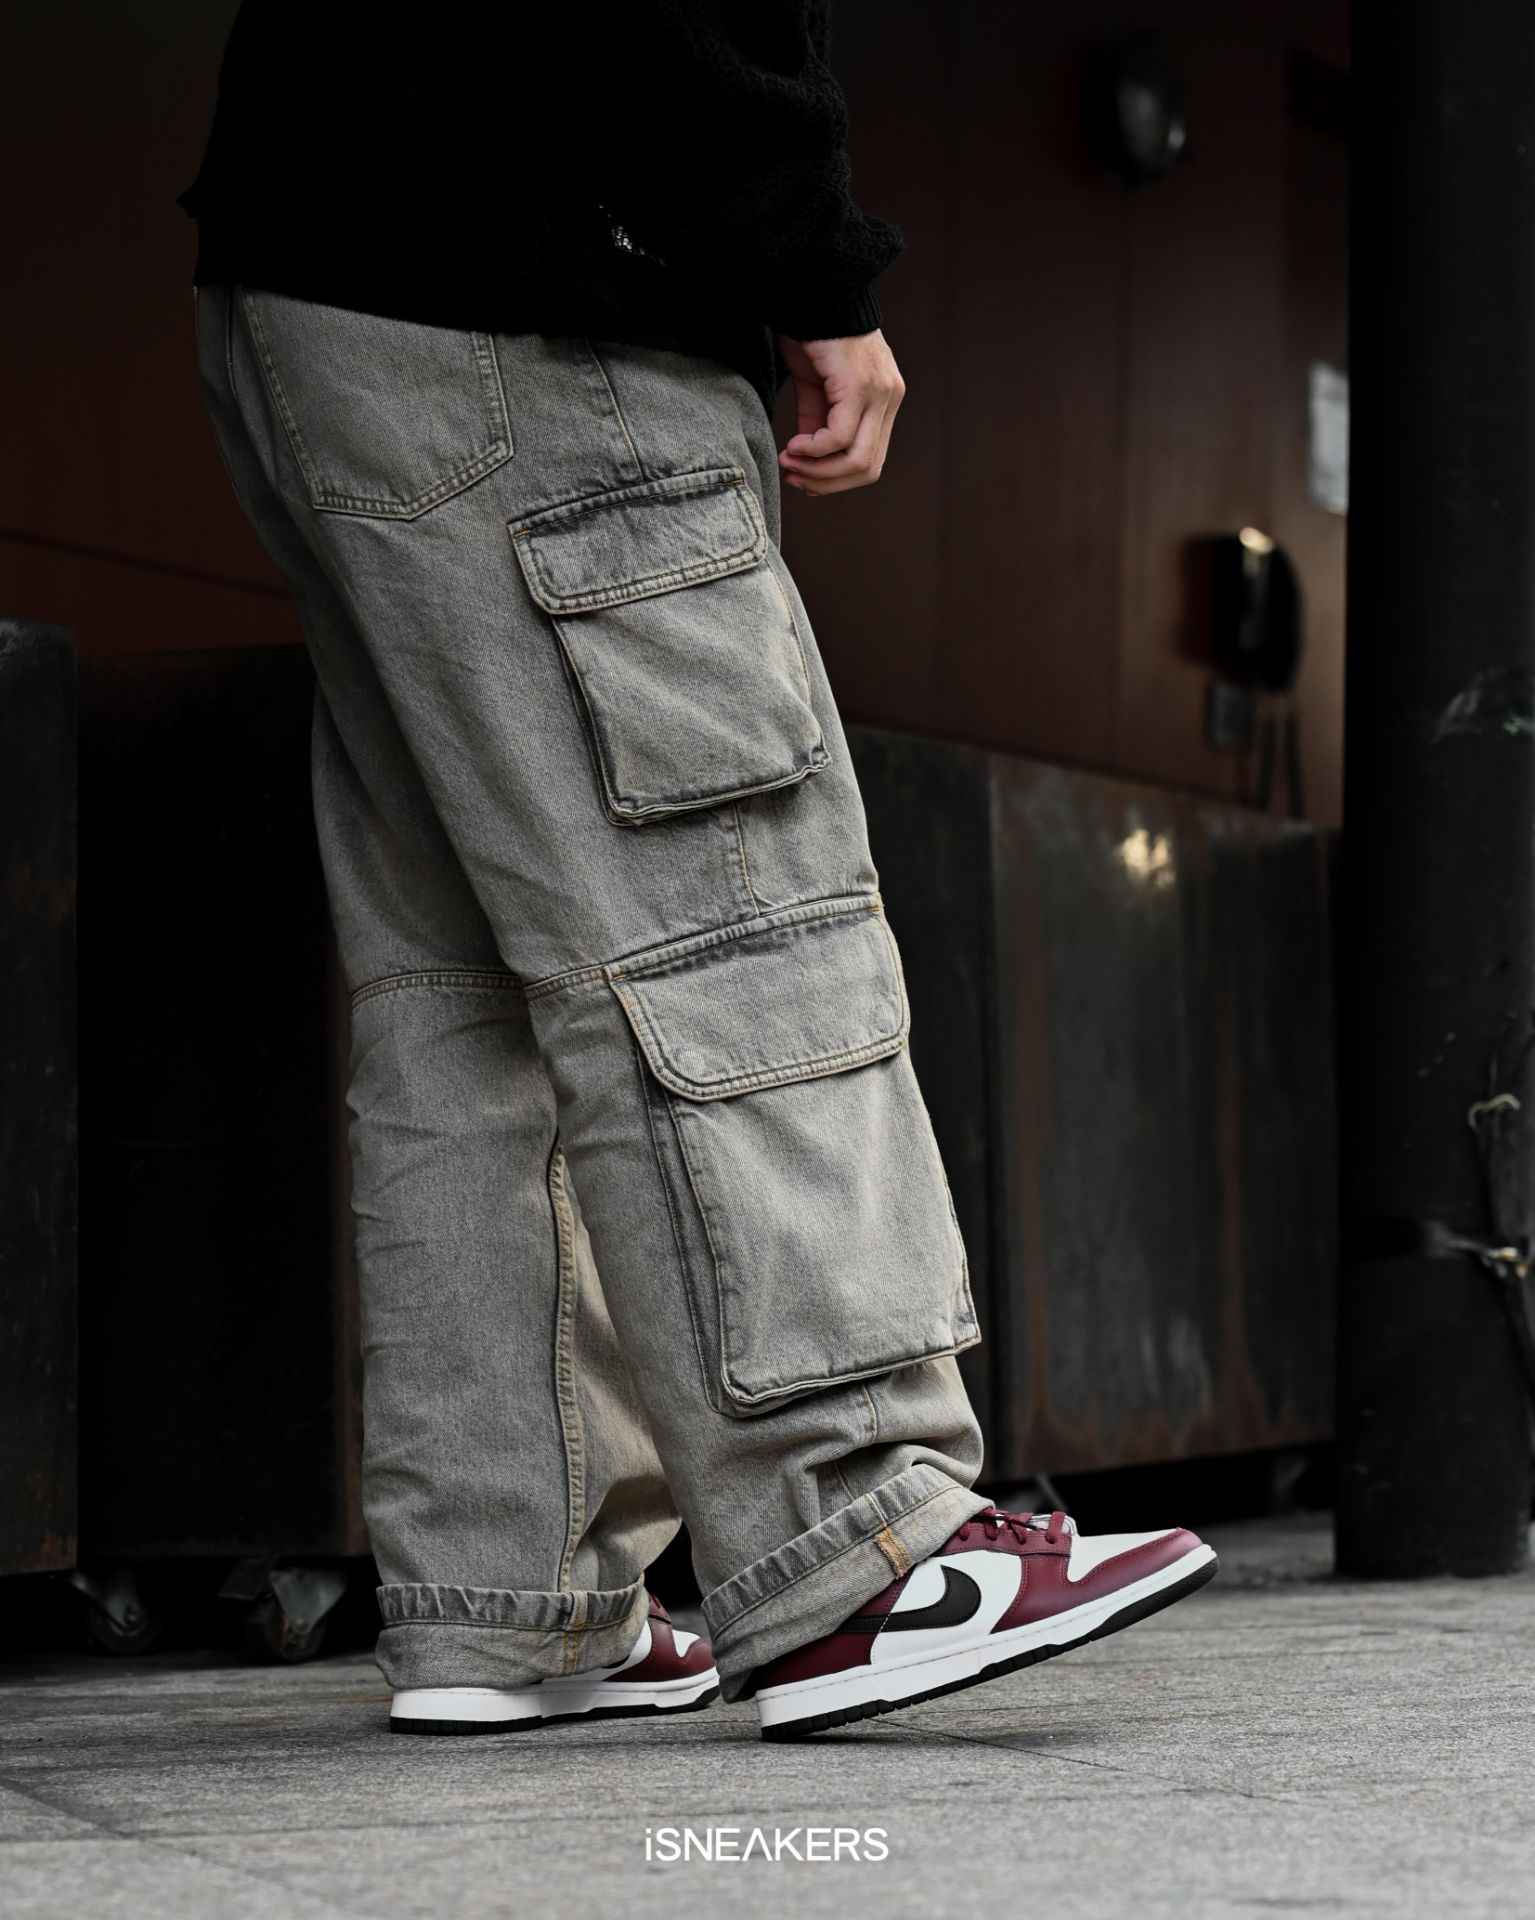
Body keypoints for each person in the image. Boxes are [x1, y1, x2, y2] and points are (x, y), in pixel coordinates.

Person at [179, 0, 1215, 1742]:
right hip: (535, 288)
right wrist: (813, 262)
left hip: (320, 284)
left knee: (468, 989)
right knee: (727, 914)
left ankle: (513, 1599)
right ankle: (851, 1533)